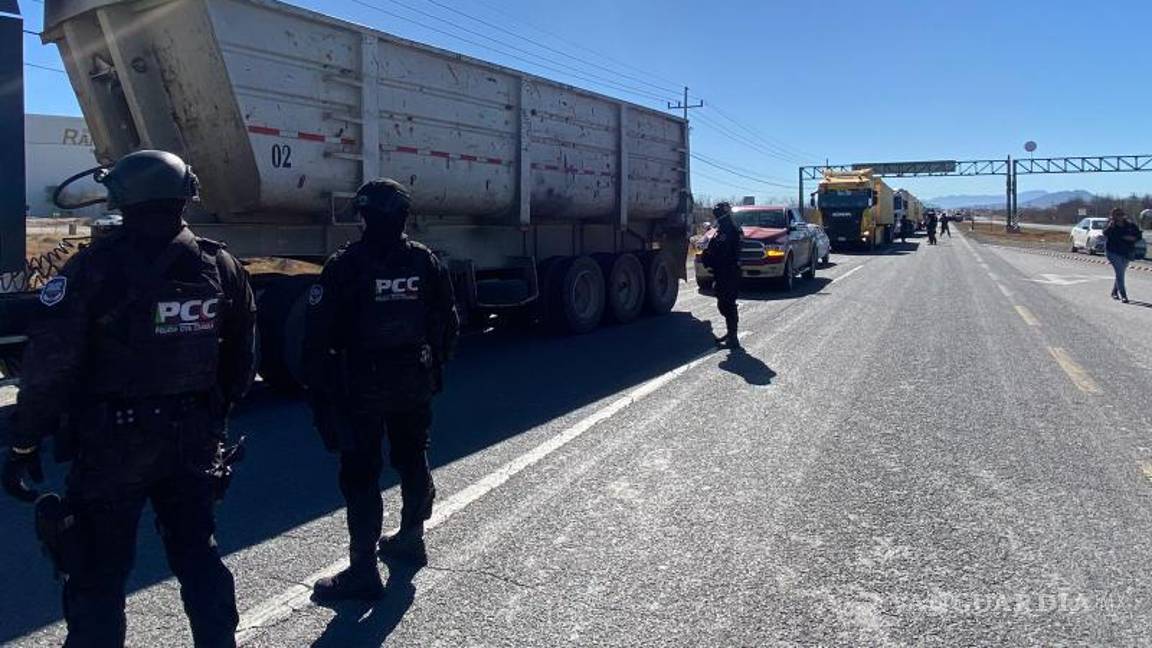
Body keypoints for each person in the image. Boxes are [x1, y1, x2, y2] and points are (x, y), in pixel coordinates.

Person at [1, 150, 257, 647]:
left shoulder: (92, 269)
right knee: (198, 557)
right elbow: (241, 361)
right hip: (193, 440)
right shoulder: (219, 264)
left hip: (112, 444)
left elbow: (50, 368)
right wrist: (211, 420)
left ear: (120, 196)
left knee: (96, 572)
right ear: (186, 194)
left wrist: (24, 442)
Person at [305, 178, 459, 601]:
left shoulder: (345, 265)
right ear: (404, 217)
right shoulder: (425, 261)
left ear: (364, 216)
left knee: (361, 472)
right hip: (413, 380)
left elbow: (317, 338)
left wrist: (320, 394)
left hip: (362, 385)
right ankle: (411, 536)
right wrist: (433, 369)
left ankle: (362, 569)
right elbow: (448, 322)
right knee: (412, 456)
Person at [700, 202, 742, 349]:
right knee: (723, 303)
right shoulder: (721, 228)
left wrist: (709, 256)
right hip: (721, 271)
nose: (716, 216)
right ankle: (730, 333)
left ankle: (733, 338)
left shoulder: (730, 230)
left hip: (729, 271)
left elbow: (722, 252)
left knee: (727, 304)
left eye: (717, 214)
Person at [1102, 207, 1142, 303]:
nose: (1119, 216)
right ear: (1113, 216)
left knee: (1120, 273)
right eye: (1117, 214)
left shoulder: (1130, 225)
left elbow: (1139, 235)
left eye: (1121, 214)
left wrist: (1133, 238)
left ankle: (1114, 292)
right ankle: (1123, 295)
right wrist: (1110, 227)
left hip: (1126, 252)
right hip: (1113, 252)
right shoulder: (1110, 224)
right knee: (1120, 272)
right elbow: (1105, 233)